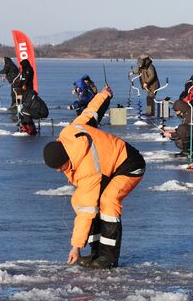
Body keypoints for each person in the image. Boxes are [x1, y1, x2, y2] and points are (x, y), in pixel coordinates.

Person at [43, 86, 145, 269]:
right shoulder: (69, 133)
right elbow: (91, 112)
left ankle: (108, 257)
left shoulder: (87, 169)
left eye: (60, 167)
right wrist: (104, 95)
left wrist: (75, 247)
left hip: (130, 164)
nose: (59, 171)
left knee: (108, 201)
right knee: (92, 203)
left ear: (67, 159)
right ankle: (96, 252)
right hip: (109, 165)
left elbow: (85, 210)